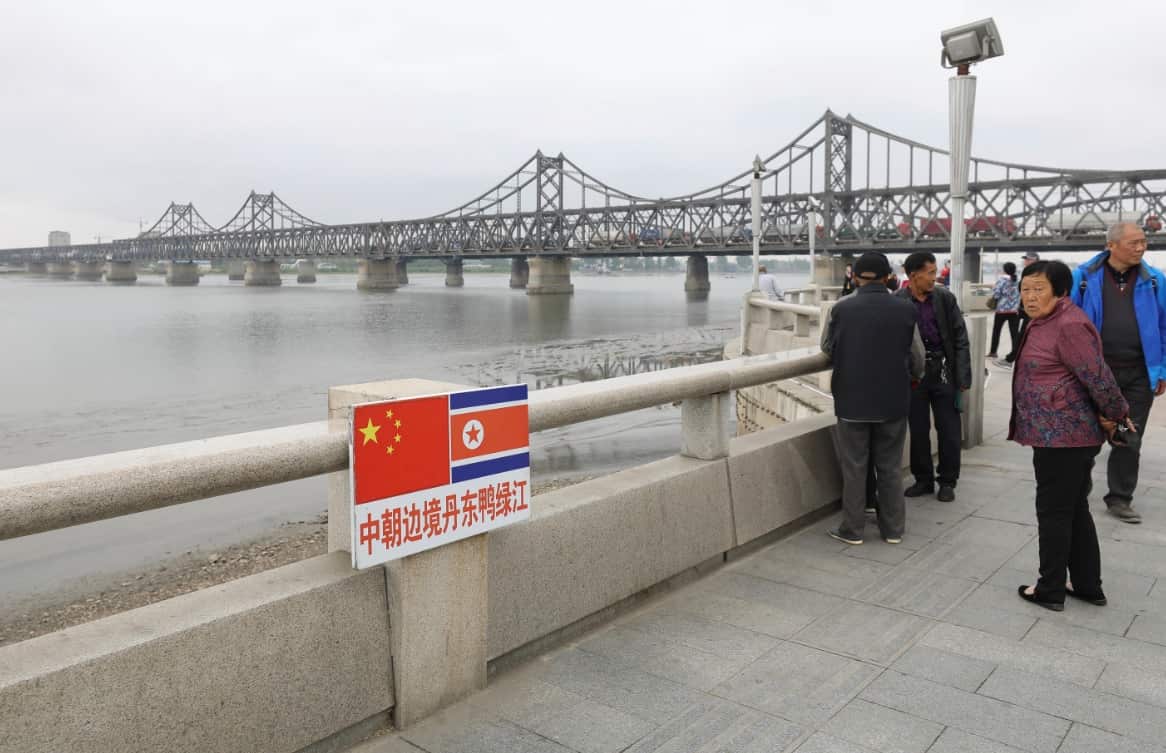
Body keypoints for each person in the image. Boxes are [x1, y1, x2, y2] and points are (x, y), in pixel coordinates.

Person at [1010, 260, 1131, 611]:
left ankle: (1049, 589)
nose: (1030, 297)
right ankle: (1088, 585)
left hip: (1063, 437)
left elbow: (1099, 378)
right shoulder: (1045, 321)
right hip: (1059, 434)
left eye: (1038, 289)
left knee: (1053, 513)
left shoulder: (1067, 325)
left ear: (1060, 291)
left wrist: (1120, 420)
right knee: (1074, 509)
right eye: (1026, 289)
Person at [820, 252, 925, 545]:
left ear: (854, 277)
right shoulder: (905, 309)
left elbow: (827, 347)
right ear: (888, 277)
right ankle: (893, 530)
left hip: (852, 400)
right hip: (893, 400)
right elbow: (917, 358)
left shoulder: (841, 309)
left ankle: (852, 530)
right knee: (890, 467)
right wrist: (914, 375)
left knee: (854, 467)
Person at [1070, 222, 1166, 524]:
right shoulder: (1084, 278)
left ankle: (1120, 497)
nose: (1140, 248)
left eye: (1143, 242)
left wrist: (1161, 368)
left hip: (1137, 376)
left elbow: (1164, 327)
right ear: (1110, 245)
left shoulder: (1155, 281)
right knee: (1087, 435)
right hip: (1096, 375)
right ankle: (1076, 491)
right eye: (1133, 242)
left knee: (1127, 437)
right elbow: (1068, 324)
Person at [896, 252, 972, 502]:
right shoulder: (898, 301)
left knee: (949, 429)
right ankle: (923, 479)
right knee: (918, 429)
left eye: (934, 271)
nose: (934, 277)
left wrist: (962, 377)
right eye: (930, 272)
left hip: (943, 371)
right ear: (913, 275)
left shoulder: (944, 298)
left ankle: (948, 481)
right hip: (913, 375)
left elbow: (960, 338)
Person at [998, 251, 1040, 368]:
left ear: (1033, 260)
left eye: (1027, 259)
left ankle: (1011, 359)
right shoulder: (1030, 273)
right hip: (1026, 309)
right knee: (1024, 335)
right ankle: (1016, 359)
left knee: (1023, 335)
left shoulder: (1036, 274)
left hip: (1032, 310)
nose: (1024, 261)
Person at [987, 261, 1021, 358]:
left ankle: (993, 352)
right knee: (1014, 333)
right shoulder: (1017, 281)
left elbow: (996, 294)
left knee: (996, 331)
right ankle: (1016, 352)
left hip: (1001, 310)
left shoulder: (1001, 280)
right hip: (1014, 311)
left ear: (1005, 270)